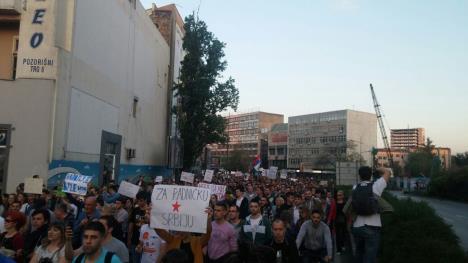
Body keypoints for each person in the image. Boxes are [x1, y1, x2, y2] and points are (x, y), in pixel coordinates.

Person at [351, 167, 391, 263]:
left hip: (357, 226)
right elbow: (387, 172)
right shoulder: (376, 186)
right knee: (370, 257)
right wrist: (377, 169)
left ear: (359, 176)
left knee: (358, 254)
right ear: (371, 175)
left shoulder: (355, 187)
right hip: (372, 227)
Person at [128, 191, 148, 263]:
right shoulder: (135, 210)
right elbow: (131, 225)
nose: (139, 202)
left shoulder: (149, 211)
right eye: (138, 200)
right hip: (135, 240)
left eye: (141, 201)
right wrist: (129, 239)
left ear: (146, 200)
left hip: (146, 242)